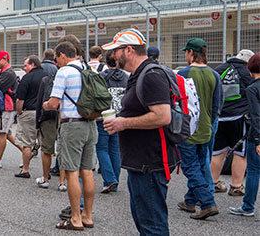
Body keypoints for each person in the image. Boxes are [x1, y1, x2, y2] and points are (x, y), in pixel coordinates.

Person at [102, 29, 180, 235]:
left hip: (150, 163)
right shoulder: (139, 75)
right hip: (141, 162)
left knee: (153, 226)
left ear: (128, 50)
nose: (112, 56)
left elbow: (163, 116)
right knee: (145, 223)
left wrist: (123, 123)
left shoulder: (151, 75)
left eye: (115, 51)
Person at [43, 42, 96, 231]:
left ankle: (75, 218)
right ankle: (87, 216)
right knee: (87, 171)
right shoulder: (88, 69)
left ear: (62, 55)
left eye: (57, 58)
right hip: (91, 124)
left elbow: (54, 102)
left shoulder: (64, 72)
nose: (56, 62)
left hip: (72, 125)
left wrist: (46, 105)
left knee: (72, 172)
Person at [175, 38, 221, 220]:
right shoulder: (214, 74)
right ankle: (190, 200)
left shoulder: (183, 73)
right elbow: (217, 104)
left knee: (190, 166)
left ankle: (208, 202)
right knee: (202, 164)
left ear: (191, 53)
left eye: (186, 52)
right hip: (206, 127)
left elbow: (176, 101)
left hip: (187, 128)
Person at [211, 49, 254, 195]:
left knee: (217, 153)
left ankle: (214, 183)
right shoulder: (248, 71)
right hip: (239, 117)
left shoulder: (219, 69)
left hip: (220, 116)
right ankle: (236, 186)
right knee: (240, 153)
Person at [229, 53, 260, 217]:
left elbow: (256, 115)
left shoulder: (252, 89)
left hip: (256, 135)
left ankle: (248, 206)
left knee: (254, 171)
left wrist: (257, 140)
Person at [96, 49, 128, 194]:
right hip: (120, 117)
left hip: (104, 116)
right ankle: (114, 181)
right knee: (115, 149)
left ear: (106, 61)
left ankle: (109, 179)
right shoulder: (126, 77)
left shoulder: (101, 77)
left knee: (102, 148)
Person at [15, 55, 49, 179]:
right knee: (46, 144)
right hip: (45, 111)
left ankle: (25, 169)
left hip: (29, 112)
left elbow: (20, 99)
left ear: (33, 64)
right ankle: (46, 172)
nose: (24, 68)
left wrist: (19, 112)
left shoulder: (27, 78)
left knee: (26, 144)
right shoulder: (47, 76)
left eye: (25, 65)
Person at [0, 51, 22, 168]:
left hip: (7, 107)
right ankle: (27, 151)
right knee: (6, 133)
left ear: (5, 59)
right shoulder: (3, 72)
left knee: (2, 133)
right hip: (6, 107)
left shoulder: (8, 73)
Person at [35, 58, 62, 190]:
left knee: (46, 149)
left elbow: (40, 101)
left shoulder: (46, 80)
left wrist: (37, 122)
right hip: (65, 116)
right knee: (62, 149)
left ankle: (45, 179)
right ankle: (62, 181)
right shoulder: (73, 76)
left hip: (48, 116)